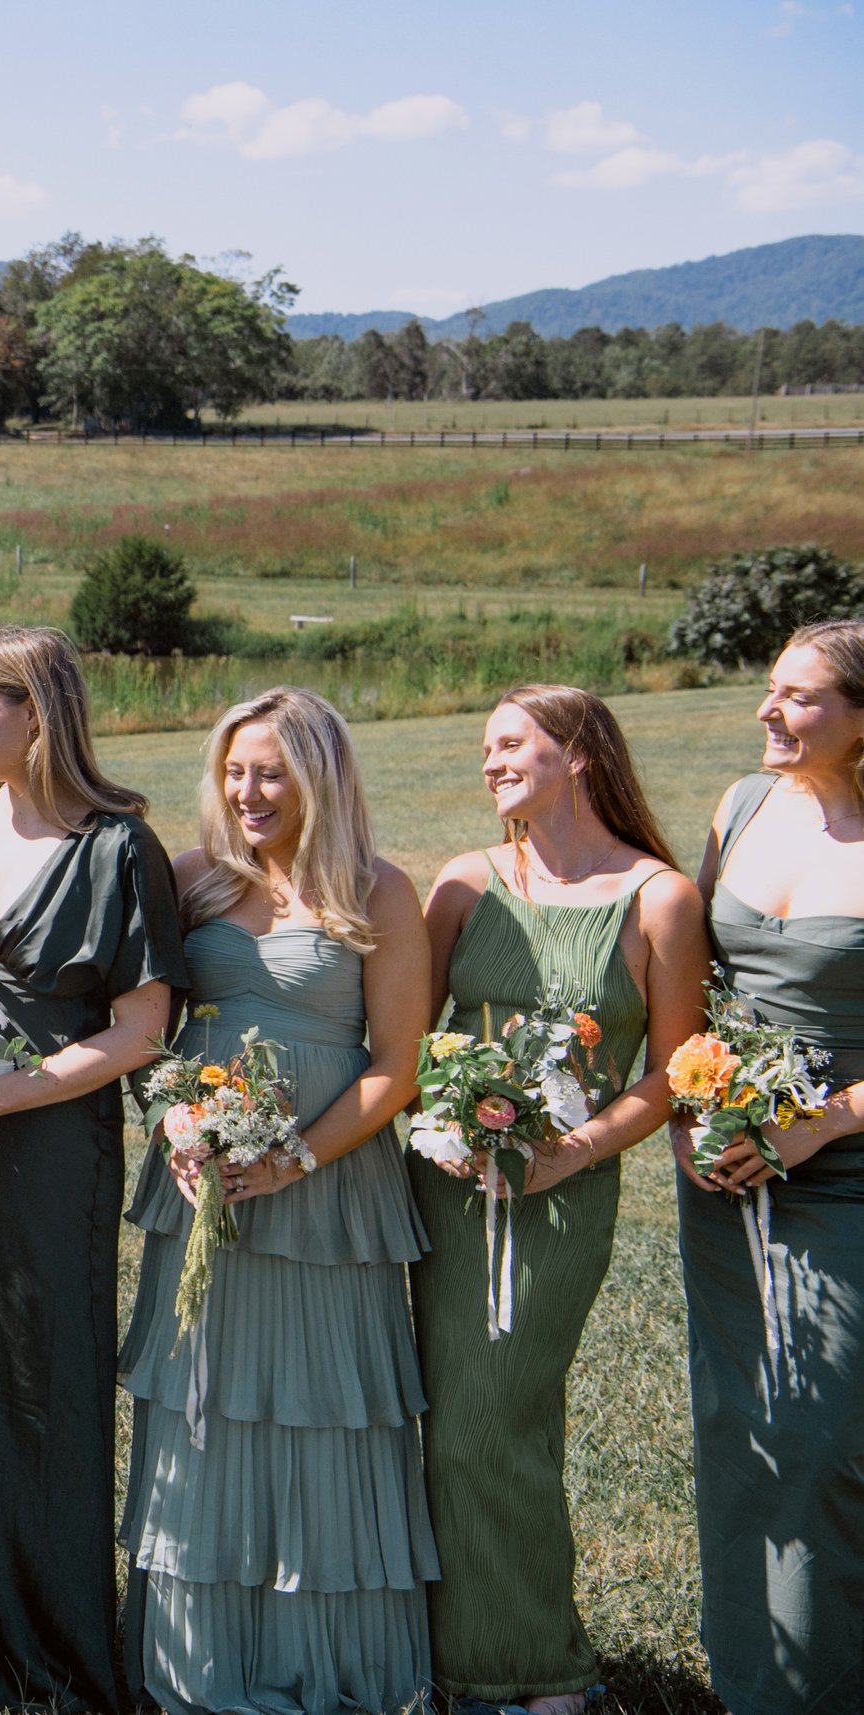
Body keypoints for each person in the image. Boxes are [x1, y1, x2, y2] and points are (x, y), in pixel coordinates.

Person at [117, 688, 436, 1714]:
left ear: (320, 776)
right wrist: (172, 1118)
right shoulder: (190, 878)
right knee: (200, 1405)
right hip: (200, 1183)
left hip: (327, 1193)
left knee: (321, 1410)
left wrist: (297, 1155)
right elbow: (147, 1035)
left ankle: (324, 1659)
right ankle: (195, 1663)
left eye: (270, 771)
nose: (246, 791)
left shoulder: (377, 891)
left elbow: (396, 1067)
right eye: (233, 771)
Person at [0, 624, 185, 1715]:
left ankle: (54, 1648)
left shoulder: (119, 848)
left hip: (52, 1146)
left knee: (43, 1381)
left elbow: (139, 1031)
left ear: (34, 713)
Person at [410, 685, 704, 1715]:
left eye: (510, 742)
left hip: (561, 1191)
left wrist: (564, 1153)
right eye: (483, 745)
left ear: (577, 751)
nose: (488, 760)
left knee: (494, 1418)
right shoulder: (461, 883)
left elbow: (671, 1071)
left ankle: (539, 1669)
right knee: (435, 1419)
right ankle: (450, 1654)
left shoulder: (658, 897)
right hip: (441, 1187)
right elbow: (407, 1036)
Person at [677, 622, 864, 1715]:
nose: (766, 712)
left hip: (842, 1171)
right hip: (729, 1173)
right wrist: (702, 1112)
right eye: (767, 690)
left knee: (819, 1436)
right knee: (738, 1425)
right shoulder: (740, 806)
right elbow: (699, 981)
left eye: (796, 697)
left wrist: (820, 1125)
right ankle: (754, 1684)